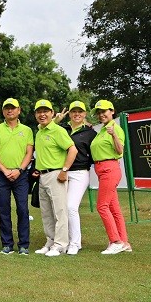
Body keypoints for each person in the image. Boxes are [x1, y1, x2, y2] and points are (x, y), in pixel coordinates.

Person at [0, 98, 34, 255]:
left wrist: (19, 170)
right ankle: (6, 244)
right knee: (4, 209)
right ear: (3, 111)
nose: (10, 111)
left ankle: (23, 245)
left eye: (13, 108)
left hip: (20, 174)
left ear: (19, 110)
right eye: (6, 108)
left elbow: (29, 153)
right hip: (2, 175)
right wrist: (4, 170)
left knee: (22, 209)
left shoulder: (27, 130)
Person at [32, 99, 78, 257]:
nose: (42, 114)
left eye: (46, 111)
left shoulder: (58, 131)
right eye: (39, 112)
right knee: (46, 213)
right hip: (43, 175)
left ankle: (60, 245)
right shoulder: (40, 131)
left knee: (60, 212)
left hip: (56, 174)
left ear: (52, 113)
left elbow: (72, 150)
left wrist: (65, 170)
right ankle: (50, 242)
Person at [55, 101, 97, 255]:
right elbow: (45, 130)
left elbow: (94, 154)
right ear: (70, 114)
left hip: (80, 172)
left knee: (71, 207)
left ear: (85, 114)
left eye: (80, 112)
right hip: (62, 172)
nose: (77, 114)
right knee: (61, 207)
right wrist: (56, 121)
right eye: (74, 111)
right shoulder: (62, 129)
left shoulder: (90, 133)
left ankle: (75, 243)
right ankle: (64, 241)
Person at [90, 99, 132, 254]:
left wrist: (114, 135)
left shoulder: (115, 128)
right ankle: (125, 242)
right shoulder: (102, 130)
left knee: (102, 206)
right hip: (102, 170)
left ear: (112, 111)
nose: (101, 115)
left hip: (110, 169)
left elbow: (120, 150)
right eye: (99, 112)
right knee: (114, 208)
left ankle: (116, 241)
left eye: (104, 111)